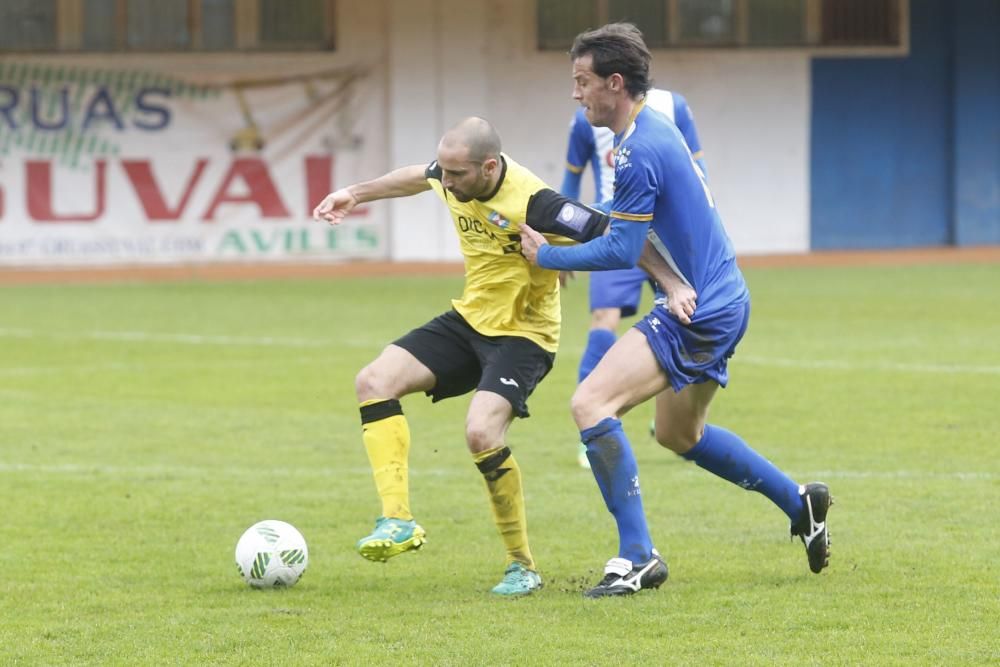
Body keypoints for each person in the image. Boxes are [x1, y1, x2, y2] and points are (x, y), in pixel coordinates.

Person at [519, 23, 832, 598]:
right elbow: (624, 228)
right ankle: (799, 501)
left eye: (582, 81)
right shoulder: (654, 129)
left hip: (702, 309)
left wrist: (547, 257)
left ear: (615, 84)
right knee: (677, 433)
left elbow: (618, 247)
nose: (575, 93)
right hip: (723, 297)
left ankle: (638, 557)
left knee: (591, 402)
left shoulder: (636, 149)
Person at [312, 116, 611, 597]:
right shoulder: (451, 175)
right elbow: (416, 175)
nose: (445, 182)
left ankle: (522, 565)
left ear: (489, 167)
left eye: (456, 175)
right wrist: (356, 192)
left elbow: (614, 235)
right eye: (444, 172)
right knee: (373, 381)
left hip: (525, 335)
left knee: (480, 432)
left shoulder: (537, 202)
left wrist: (559, 259)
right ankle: (398, 521)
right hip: (469, 320)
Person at [561, 91, 707, 469]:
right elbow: (571, 180)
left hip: (667, 235)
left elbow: (697, 170)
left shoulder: (674, 106)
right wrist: (561, 234)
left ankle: (675, 420)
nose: (579, 89)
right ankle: (592, 429)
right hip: (617, 229)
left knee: (689, 318)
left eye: (583, 78)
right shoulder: (586, 118)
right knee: (604, 317)